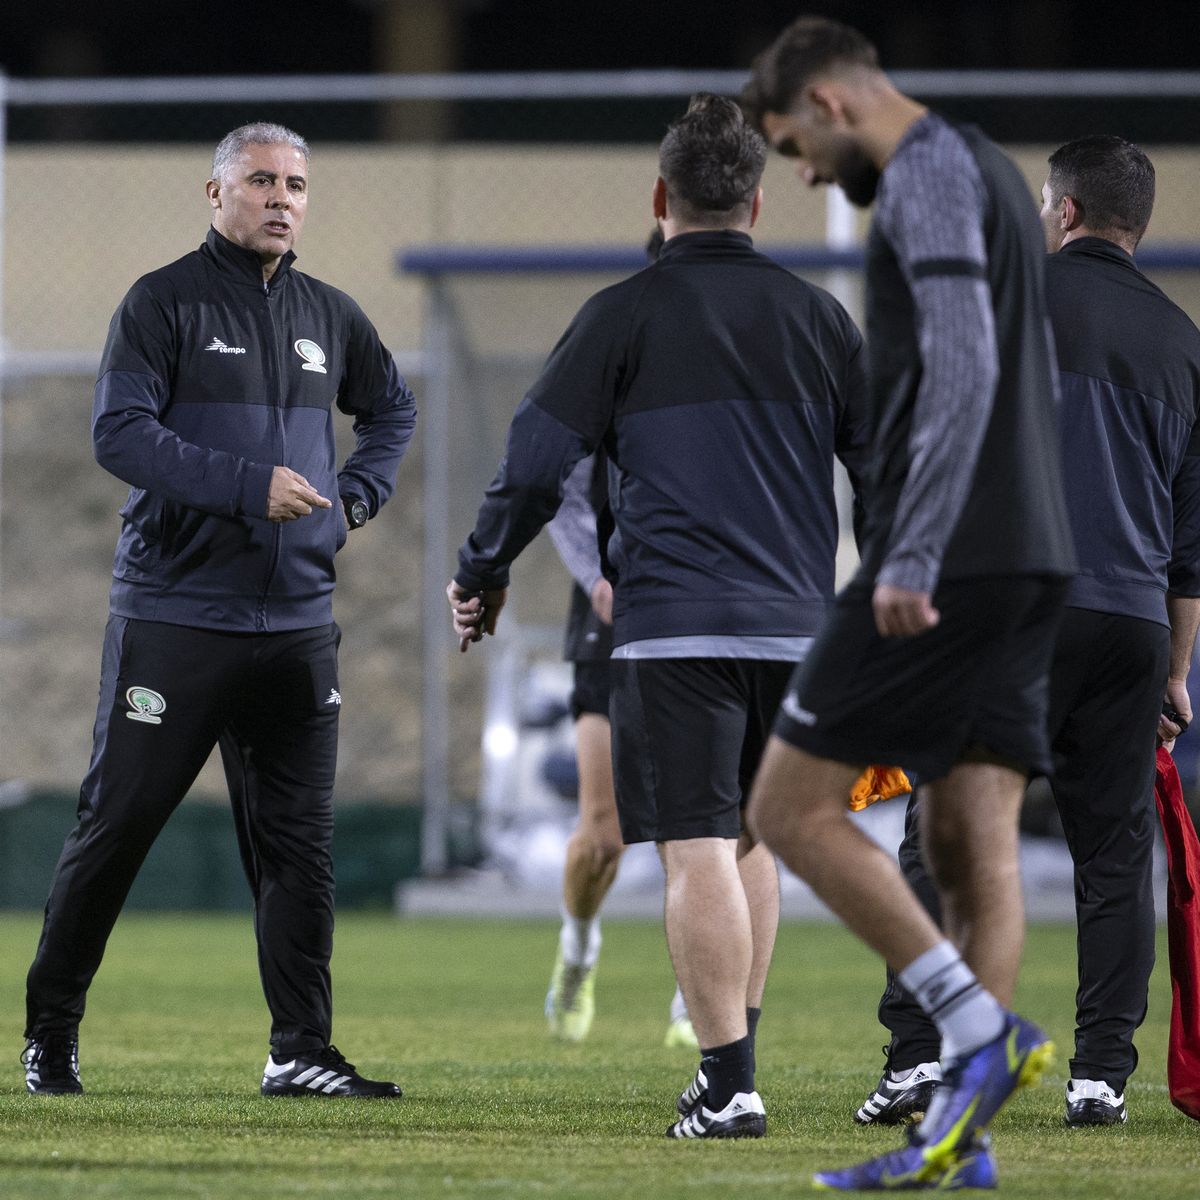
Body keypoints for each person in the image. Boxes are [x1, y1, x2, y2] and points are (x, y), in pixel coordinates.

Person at [448, 94, 868, 1139]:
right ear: (761, 202)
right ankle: (734, 1066)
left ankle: (728, 1085)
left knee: (693, 847)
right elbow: (893, 472)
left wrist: (482, 568)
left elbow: (535, 462)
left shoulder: (619, 314)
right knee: (756, 843)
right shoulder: (820, 317)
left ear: (659, 196)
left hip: (676, 625)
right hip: (799, 629)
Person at [742, 15, 1076, 1189]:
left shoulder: (926, 173)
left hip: (957, 555)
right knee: (966, 838)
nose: (804, 173)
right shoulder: (987, 163)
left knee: (786, 807)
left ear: (831, 105)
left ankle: (977, 1035)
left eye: (793, 144)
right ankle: (957, 1141)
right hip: (1035, 550)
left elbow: (967, 361)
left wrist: (912, 548)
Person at [21, 122, 416, 1099]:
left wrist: (355, 497)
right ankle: (51, 1034)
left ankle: (300, 1051)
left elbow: (393, 411)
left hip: (295, 628)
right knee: (116, 829)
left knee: (298, 847)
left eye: (296, 184)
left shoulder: (331, 312)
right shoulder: (162, 303)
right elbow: (120, 435)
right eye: (261, 182)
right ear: (214, 194)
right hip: (176, 618)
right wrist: (249, 486)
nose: (282, 198)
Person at [855, 135, 1200, 1132]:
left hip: (1008, 610)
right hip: (1130, 623)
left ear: (1062, 212)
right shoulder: (1183, 346)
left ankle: (920, 1058)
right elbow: (1191, 552)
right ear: (1135, 220)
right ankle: (1101, 1074)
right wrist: (1176, 676)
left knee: (942, 834)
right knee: (1113, 850)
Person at [544, 447, 697, 1049]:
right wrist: (596, 575)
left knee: (699, 823)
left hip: (697, 611)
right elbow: (561, 485)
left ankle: (697, 998)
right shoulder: (616, 366)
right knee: (604, 834)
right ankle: (578, 952)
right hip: (610, 609)